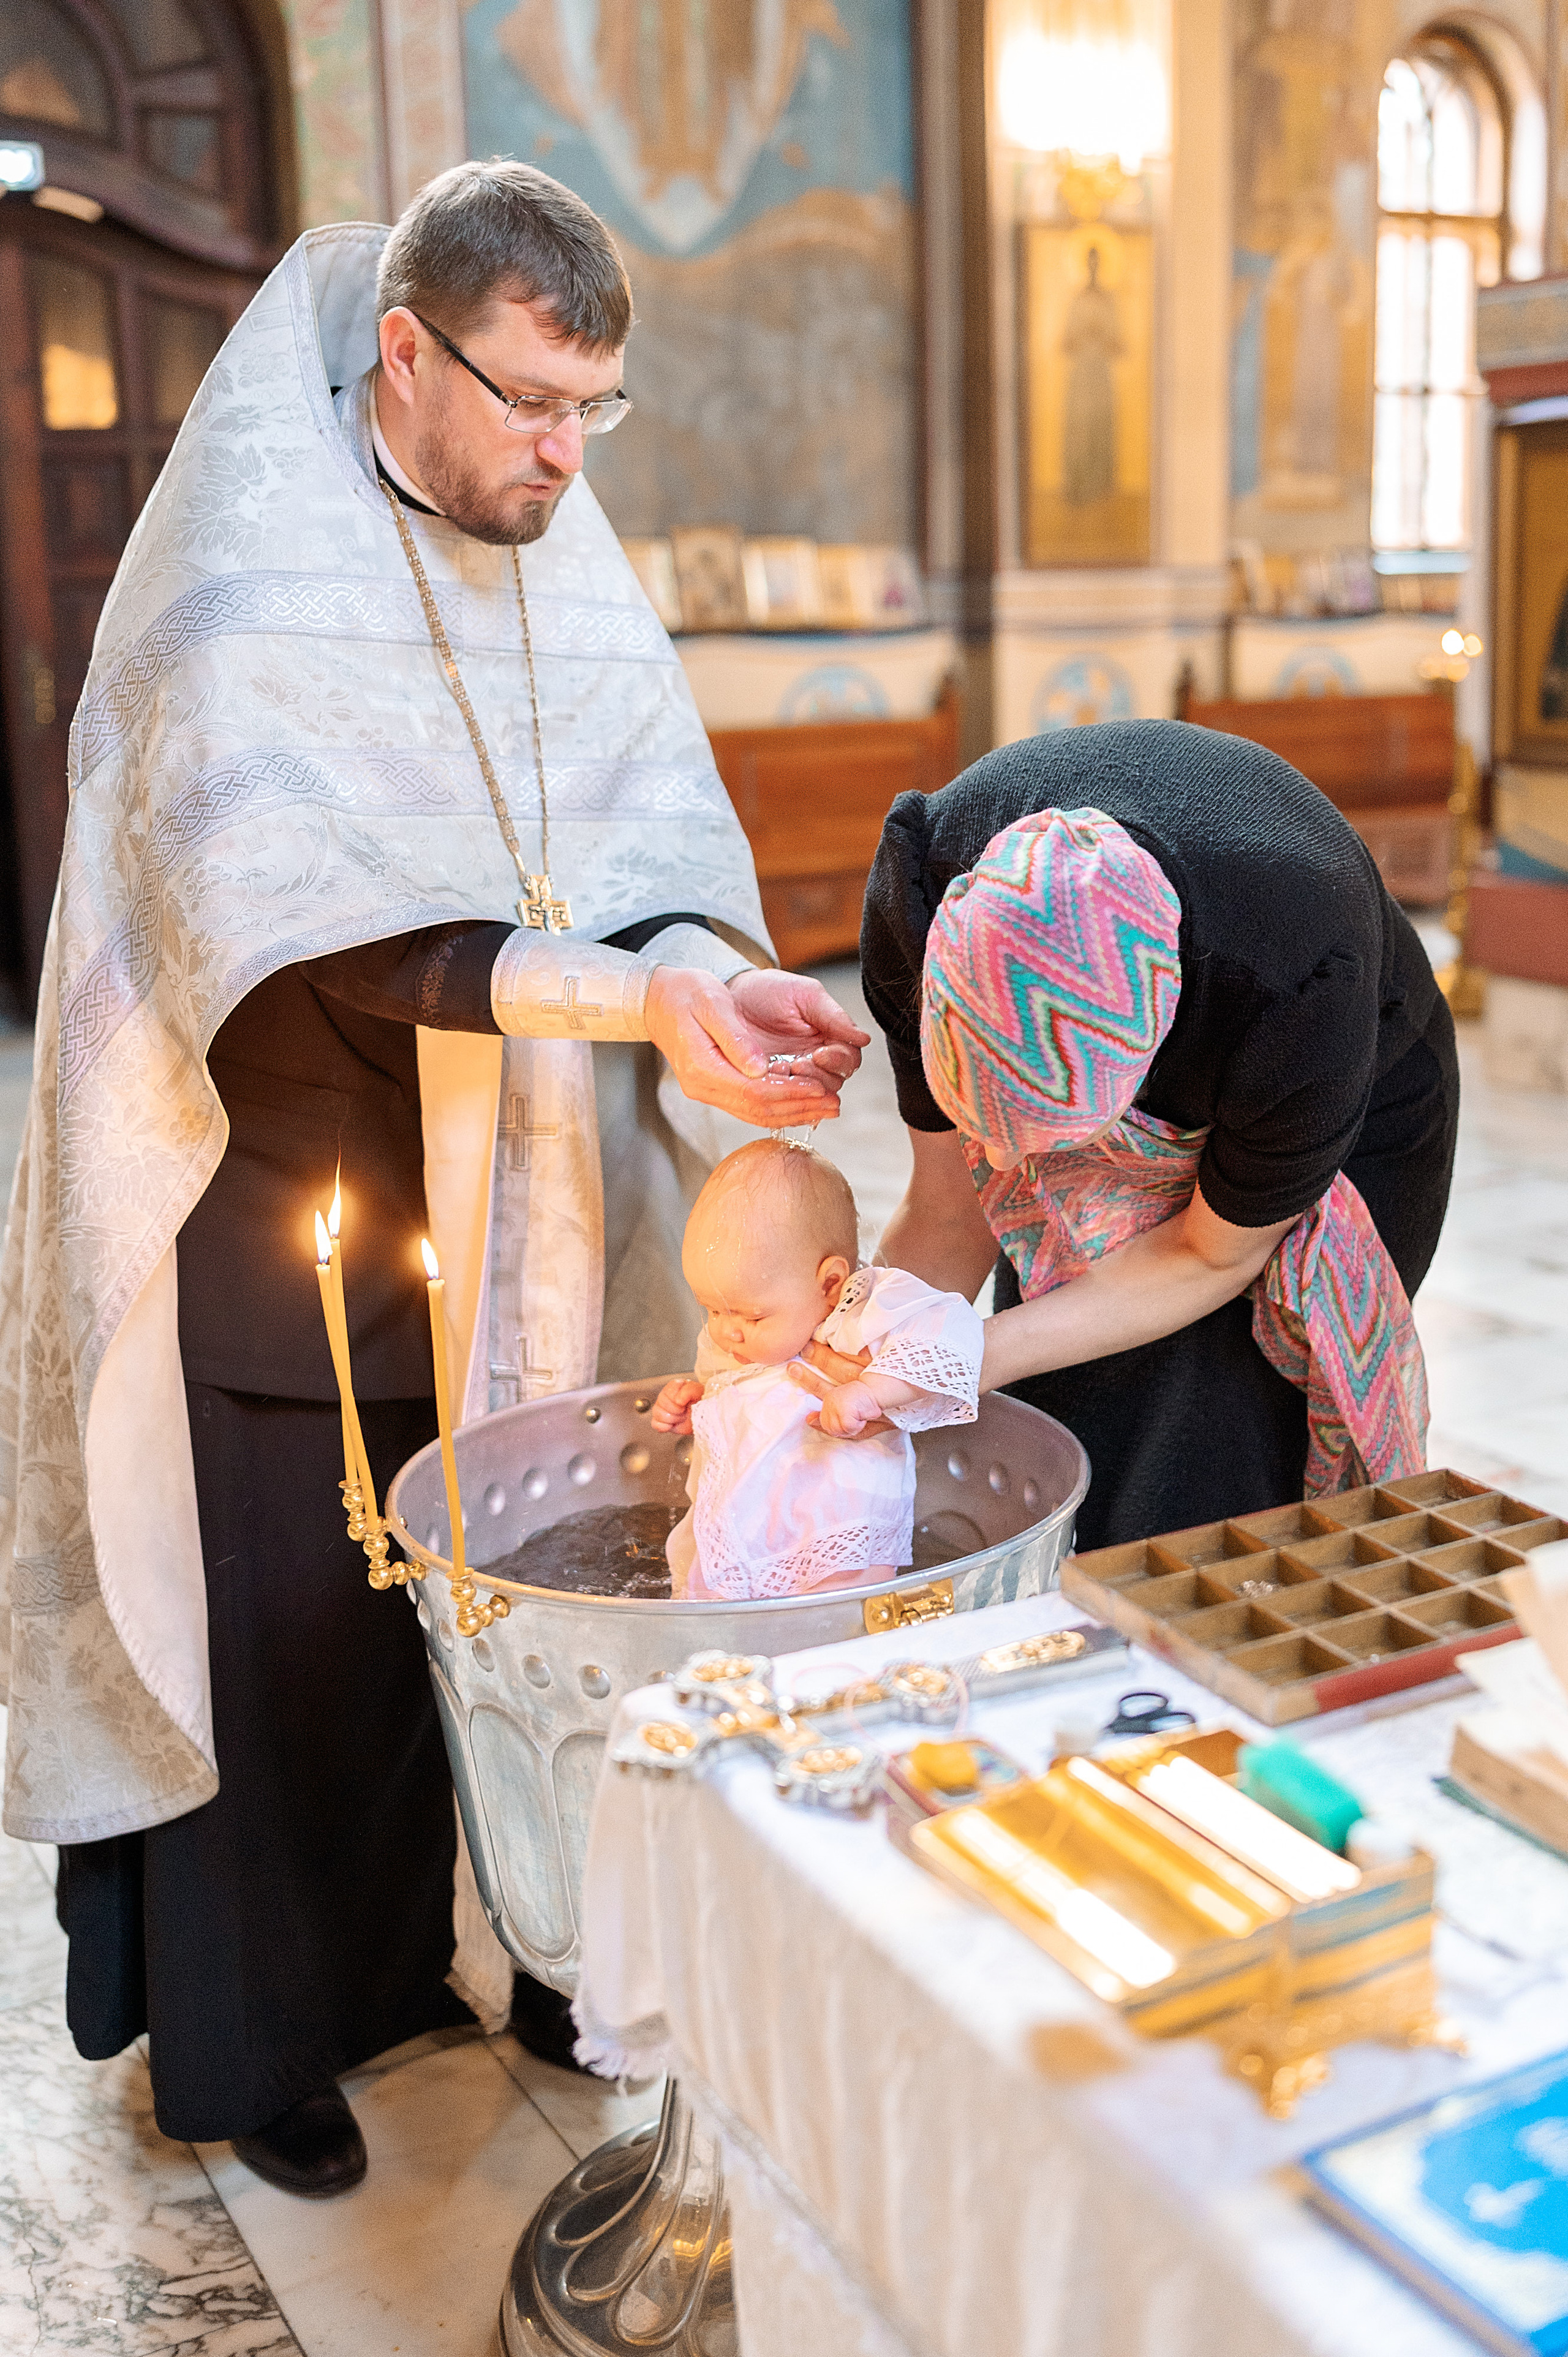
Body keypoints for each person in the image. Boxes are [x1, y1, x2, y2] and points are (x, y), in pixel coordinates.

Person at [0, 161, 865, 2197]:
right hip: (280, 1216)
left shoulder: (561, 549)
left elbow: (646, 850)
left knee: (507, 1602)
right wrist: (629, 994)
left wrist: (708, 973)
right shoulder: (247, 559)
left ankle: (514, 1939)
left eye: (595, 408)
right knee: (295, 1626)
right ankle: (271, 2037)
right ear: (407, 351)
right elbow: (296, 923)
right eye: (531, 401)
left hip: (521, 1205)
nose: (567, 453)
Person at [827, 719, 1453, 1549]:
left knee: (1211, 1449)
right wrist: (864, 1346)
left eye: (1046, 1140)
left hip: (1358, 1096)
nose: (1005, 1168)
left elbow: (1209, 1256)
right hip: (1190, 1018)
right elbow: (950, 1207)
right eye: (985, 1128)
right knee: (1072, 1404)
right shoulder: (922, 885)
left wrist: (971, 1357)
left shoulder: (1300, 987)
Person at [652, 1141, 982, 1598]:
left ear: (829, 1284)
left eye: (753, 1316)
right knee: (710, 1617)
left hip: (839, 1539)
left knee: (843, 1623)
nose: (728, 1331)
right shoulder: (744, 1331)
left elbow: (951, 1332)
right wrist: (701, 1405)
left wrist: (874, 1391)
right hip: (745, 1527)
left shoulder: (860, 1315)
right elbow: (739, 1396)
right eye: (712, 1309)